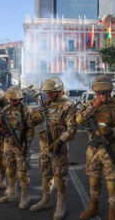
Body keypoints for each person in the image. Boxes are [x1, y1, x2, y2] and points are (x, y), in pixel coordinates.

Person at [76, 75, 115, 220]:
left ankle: (113, 215)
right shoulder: (91, 105)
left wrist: (112, 131)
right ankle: (93, 207)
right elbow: (78, 119)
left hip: (111, 151)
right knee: (94, 181)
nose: (101, 96)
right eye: (98, 93)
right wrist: (94, 106)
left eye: (104, 93)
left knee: (112, 186)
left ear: (110, 91)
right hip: (94, 151)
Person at [30, 77, 77, 220]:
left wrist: (60, 141)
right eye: (47, 93)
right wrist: (34, 116)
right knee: (46, 173)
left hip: (59, 147)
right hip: (44, 145)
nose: (48, 95)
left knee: (59, 175)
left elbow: (72, 128)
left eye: (51, 92)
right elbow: (34, 121)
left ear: (58, 91)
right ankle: (45, 200)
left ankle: (60, 204)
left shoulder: (68, 106)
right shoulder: (44, 104)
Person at [0, 86, 35, 210]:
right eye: (10, 100)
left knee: (22, 172)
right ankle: (12, 193)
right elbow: (2, 130)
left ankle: (25, 196)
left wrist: (26, 143)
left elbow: (31, 129)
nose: (12, 102)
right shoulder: (6, 109)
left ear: (20, 98)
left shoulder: (26, 111)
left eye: (14, 100)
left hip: (21, 145)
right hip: (8, 144)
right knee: (10, 169)